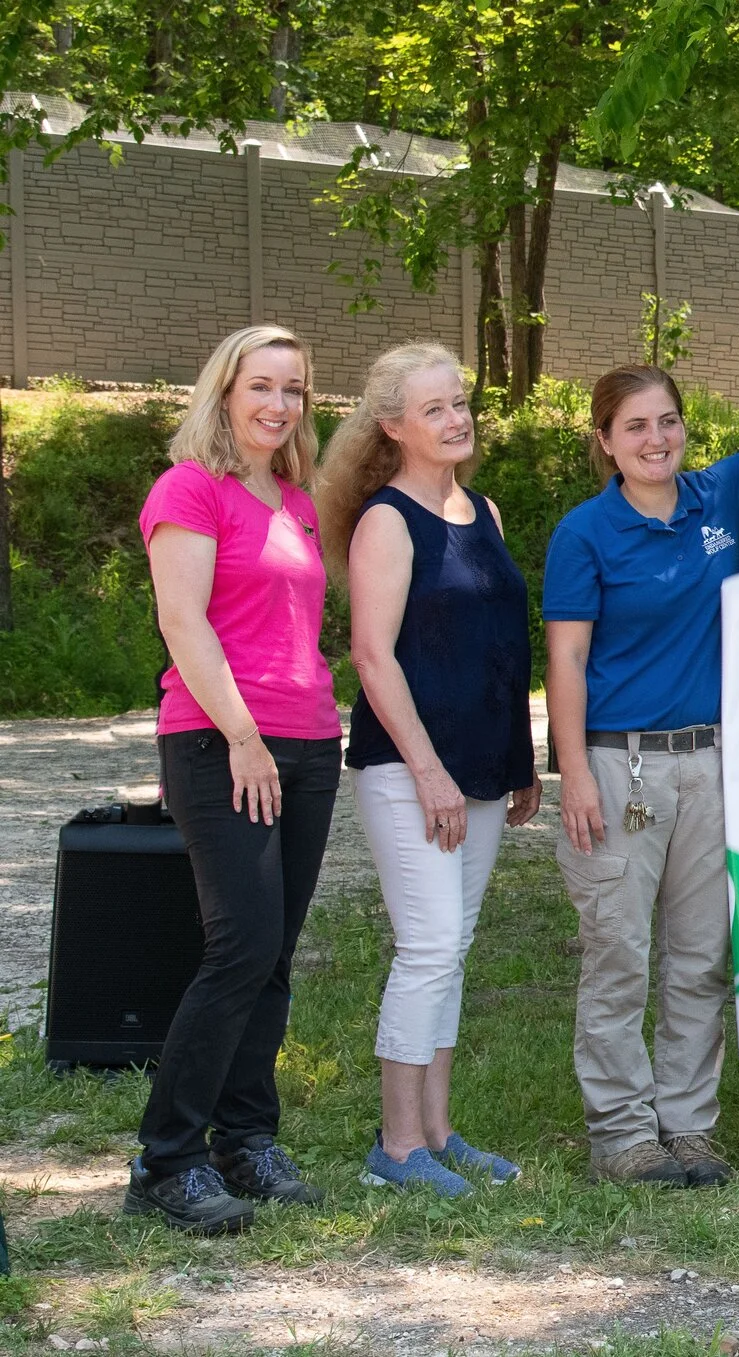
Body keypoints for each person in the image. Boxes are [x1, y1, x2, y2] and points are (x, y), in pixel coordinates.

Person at [315, 343, 539, 1197]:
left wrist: (519, 760)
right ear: (393, 427)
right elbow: (373, 657)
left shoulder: (484, 511)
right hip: (410, 769)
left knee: (456, 948)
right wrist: (430, 772)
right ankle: (397, 1146)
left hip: (482, 766)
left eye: (460, 402)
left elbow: (500, 647)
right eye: (434, 408)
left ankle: (439, 1134)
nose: (456, 419)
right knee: (430, 945)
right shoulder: (386, 520)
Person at [129, 325, 337, 1234]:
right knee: (240, 947)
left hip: (310, 741)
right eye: (262, 386)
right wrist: (244, 736)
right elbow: (183, 622)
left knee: (275, 953)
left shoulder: (295, 501)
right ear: (224, 392)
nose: (279, 404)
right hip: (222, 742)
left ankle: (246, 1140)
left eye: (294, 389)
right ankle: (165, 1159)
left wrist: (297, 733)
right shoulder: (189, 488)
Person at [544, 366, 739, 1187]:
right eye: (635, 426)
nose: (656, 438)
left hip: (709, 762)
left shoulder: (721, 497)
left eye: (668, 420)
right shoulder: (585, 534)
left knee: (702, 957)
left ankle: (689, 1124)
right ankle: (623, 1133)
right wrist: (574, 772)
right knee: (618, 954)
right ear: (604, 440)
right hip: (618, 764)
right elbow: (566, 659)